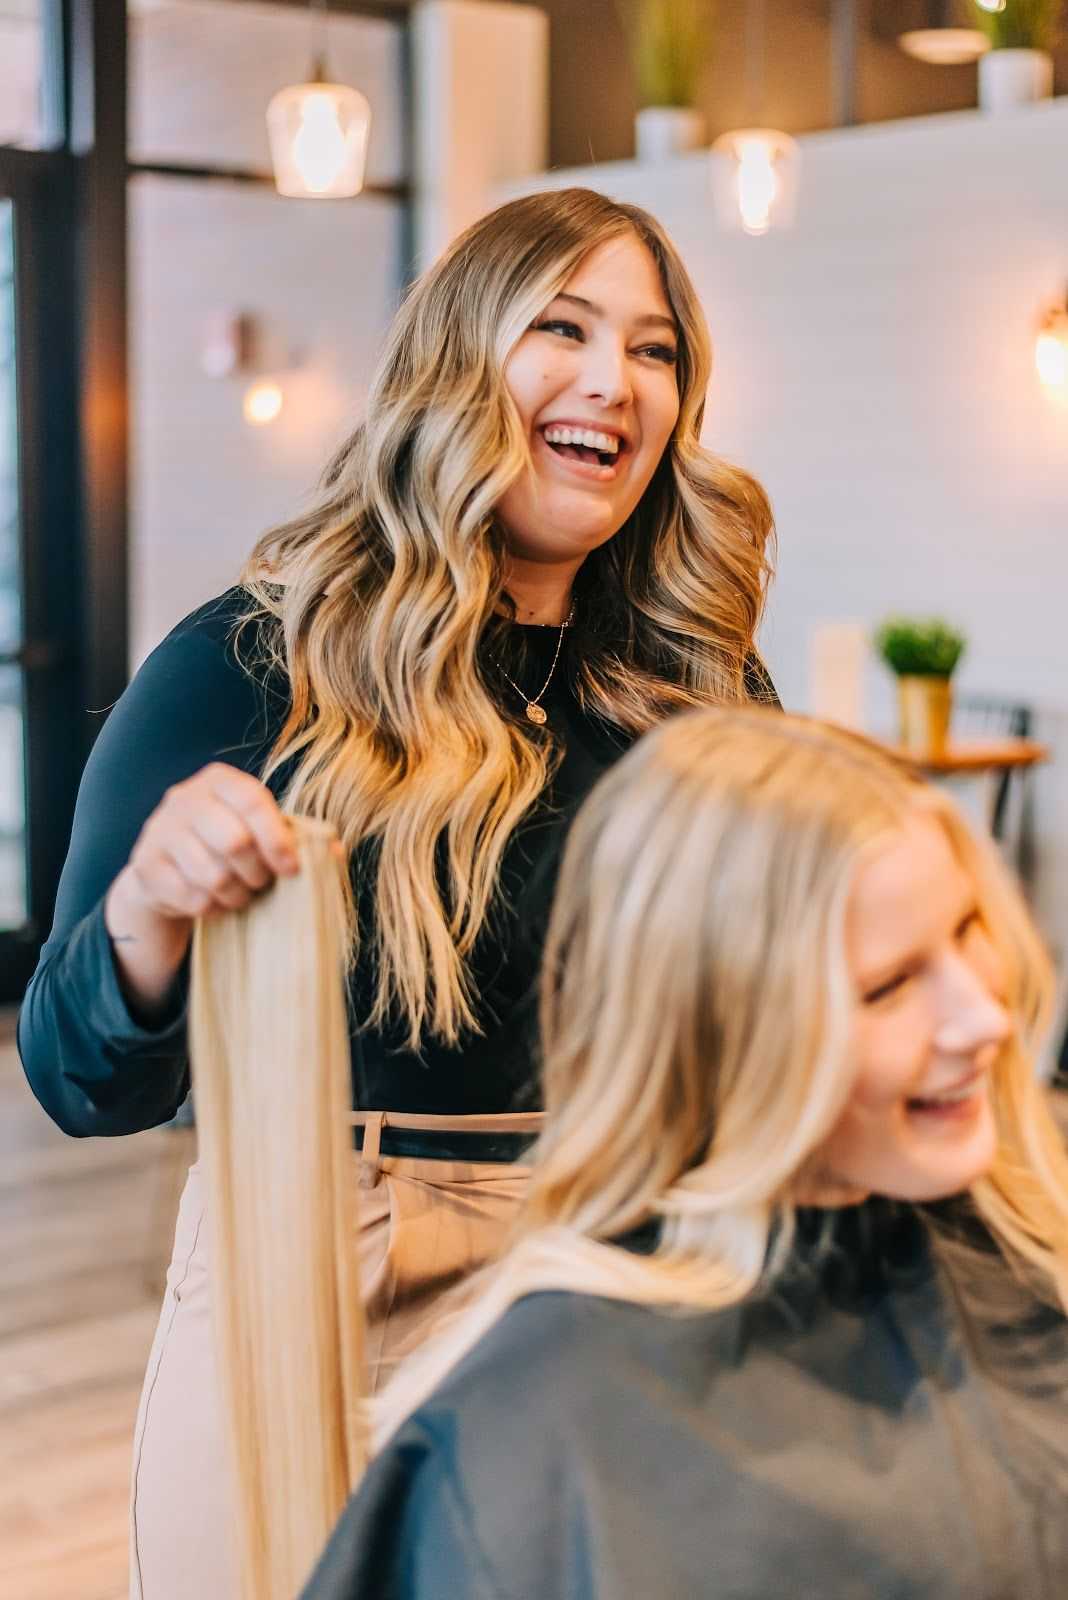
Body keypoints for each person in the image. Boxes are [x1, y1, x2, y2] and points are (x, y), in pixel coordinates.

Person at [16, 186, 778, 1598]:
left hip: (608, 1265)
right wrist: (154, 917)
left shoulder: (699, 686)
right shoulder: (254, 662)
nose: (615, 378)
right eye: (563, 327)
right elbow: (75, 1078)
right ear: (455, 359)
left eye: (657, 349)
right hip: (316, 1260)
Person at [302, 708, 1068, 1600]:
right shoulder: (543, 1427)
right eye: (889, 986)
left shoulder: (1021, 1253)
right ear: (719, 1030)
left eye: (969, 929)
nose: (985, 1017)